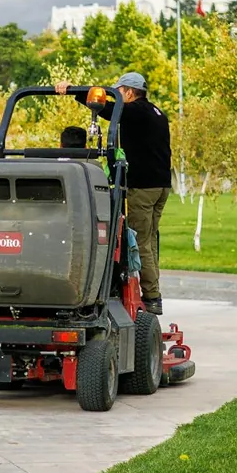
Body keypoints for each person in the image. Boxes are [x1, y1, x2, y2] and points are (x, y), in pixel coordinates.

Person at [56, 72, 171, 315]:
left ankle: (152, 297)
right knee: (149, 240)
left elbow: (106, 109)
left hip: (143, 187)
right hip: (160, 186)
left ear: (129, 92)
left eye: (119, 92)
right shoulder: (156, 113)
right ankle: (151, 292)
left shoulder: (136, 111)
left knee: (140, 242)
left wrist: (72, 91)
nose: (118, 97)